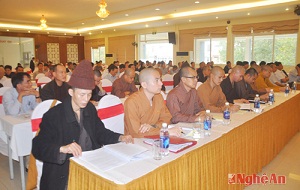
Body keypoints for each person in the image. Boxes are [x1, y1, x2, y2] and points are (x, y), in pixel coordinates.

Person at [32, 60, 133, 190]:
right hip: (64, 172)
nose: (86, 99)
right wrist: (62, 148)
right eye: (82, 95)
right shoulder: (54, 115)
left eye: (89, 94)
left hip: (91, 164)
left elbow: (100, 132)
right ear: (71, 92)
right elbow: (38, 147)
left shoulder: (89, 109)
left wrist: (120, 137)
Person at [124, 68, 182, 138]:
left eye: (160, 79)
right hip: (136, 143)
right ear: (144, 85)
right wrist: (163, 132)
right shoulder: (131, 102)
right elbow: (136, 133)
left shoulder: (158, 97)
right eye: (156, 80)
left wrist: (153, 126)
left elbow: (167, 117)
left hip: (155, 138)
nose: (161, 83)